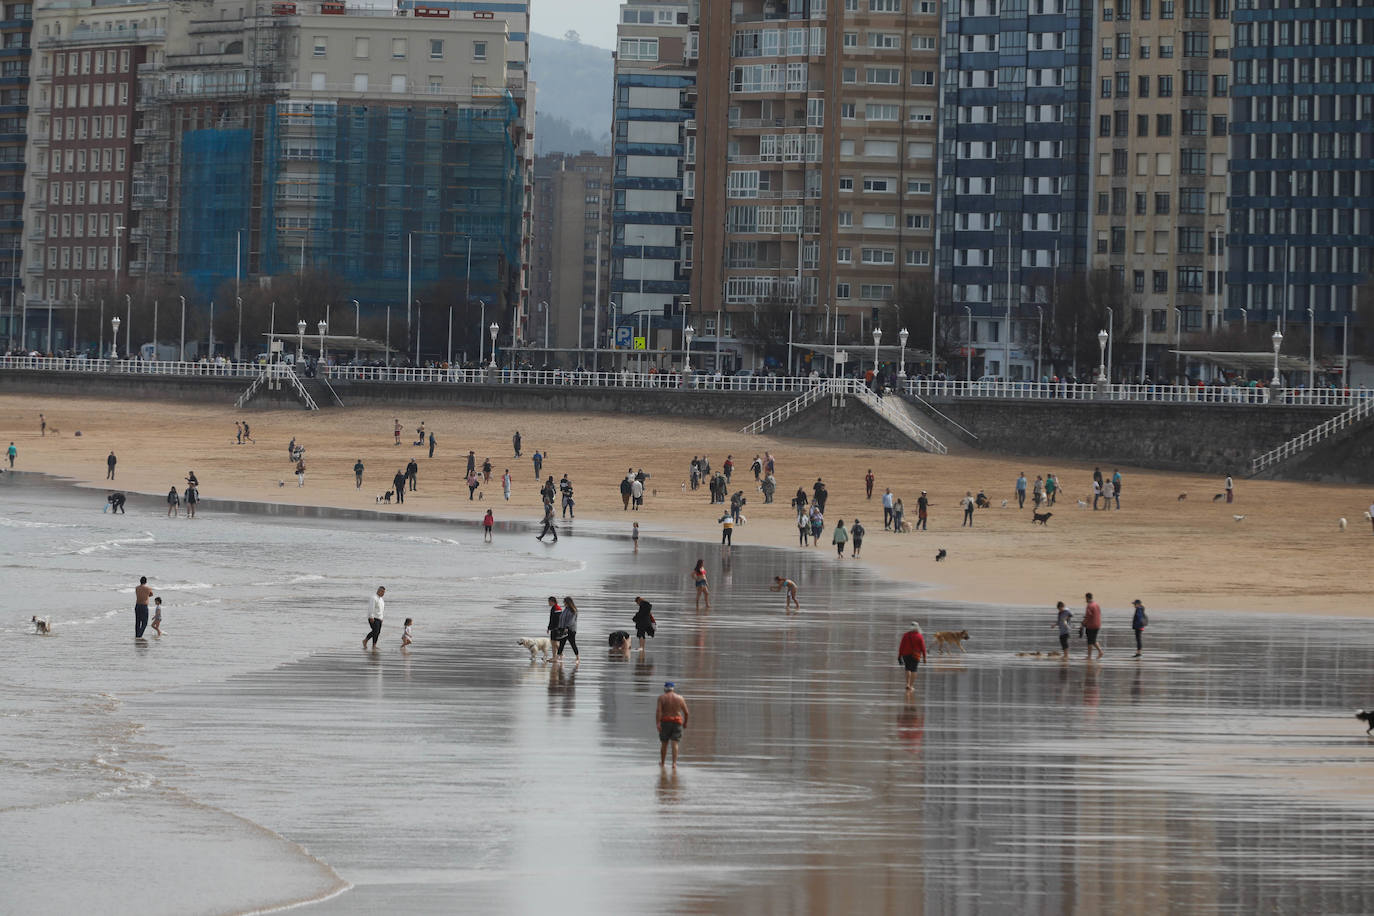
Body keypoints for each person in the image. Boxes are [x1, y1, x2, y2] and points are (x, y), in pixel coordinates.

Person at [656, 682, 689, 768]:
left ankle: (662, 763)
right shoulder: (680, 698)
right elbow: (686, 713)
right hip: (677, 722)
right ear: (673, 688)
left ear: (665, 688)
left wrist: (658, 723)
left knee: (664, 743)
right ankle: (674, 763)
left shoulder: (661, 698)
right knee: (675, 744)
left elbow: (659, 711)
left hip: (665, 722)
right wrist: (685, 723)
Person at [897, 622, 927, 692]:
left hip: (906, 654)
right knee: (914, 670)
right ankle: (911, 686)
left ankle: (907, 684)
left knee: (907, 668)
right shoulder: (919, 636)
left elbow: (901, 646)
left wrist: (899, 655)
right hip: (915, 655)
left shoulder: (905, 635)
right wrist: (924, 657)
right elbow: (923, 648)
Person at [1083, 592, 1104, 659]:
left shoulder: (1089, 606)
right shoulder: (1096, 605)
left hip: (1091, 625)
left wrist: (1083, 623)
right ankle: (1100, 652)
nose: (1085, 599)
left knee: (1090, 641)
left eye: (1085, 598)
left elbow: (1088, 616)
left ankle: (1089, 656)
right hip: (1097, 624)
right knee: (1093, 640)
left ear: (1087, 598)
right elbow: (1099, 613)